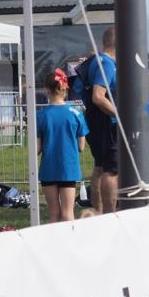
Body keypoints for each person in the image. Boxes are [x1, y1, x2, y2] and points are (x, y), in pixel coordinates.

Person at [37, 68, 88, 223]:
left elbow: (37, 149)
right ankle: (70, 238)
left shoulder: (41, 115)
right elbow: (81, 147)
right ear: (65, 89)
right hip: (69, 168)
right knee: (68, 213)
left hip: (48, 168)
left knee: (53, 213)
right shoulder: (76, 113)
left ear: (47, 90)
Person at [84, 26, 118, 214]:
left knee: (100, 166)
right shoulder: (107, 64)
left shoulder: (98, 61)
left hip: (99, 124)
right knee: (111, 170)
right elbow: (98, 96)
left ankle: (98, 212)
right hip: (107, 126)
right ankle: (108, 213)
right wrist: (119, 115)